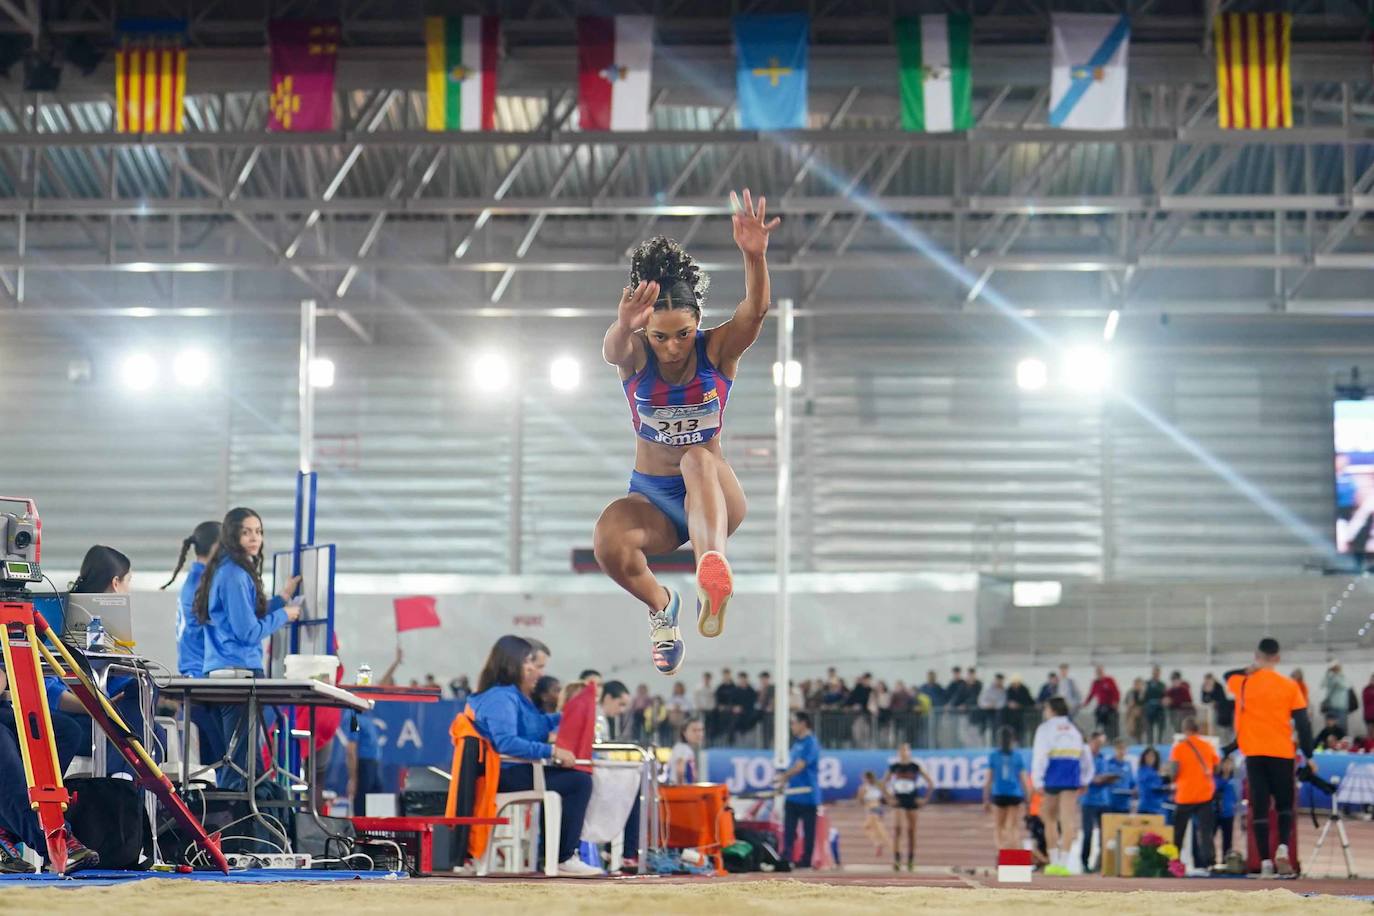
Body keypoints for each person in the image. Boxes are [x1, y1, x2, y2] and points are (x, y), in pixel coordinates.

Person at [593, 190, 781, 675]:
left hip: (715, 493)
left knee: (696, 456)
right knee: (607, 540)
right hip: (654, 500)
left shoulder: (716, 351)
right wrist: (622, 325)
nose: (672, 348)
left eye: (681, 334)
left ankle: (711, 572)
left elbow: (754, 313)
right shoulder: (634, 354)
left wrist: (754, 257)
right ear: (645, 332)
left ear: (697, 321)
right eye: (659, 336)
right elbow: (612, 351)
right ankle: (663, 608)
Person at [467, 635, 600, 877]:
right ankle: (564, 856)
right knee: (579, 781)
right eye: (531, 663)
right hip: (506, 774)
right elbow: (506, 742)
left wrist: (573, 711)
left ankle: (560, 854)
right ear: (512, 663)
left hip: (517, 770)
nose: (536, 671)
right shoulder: (501, 697)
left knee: (574, 779)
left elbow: (537, 726)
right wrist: (551, 750)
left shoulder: (513, 695)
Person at [192, 507, 302, 790]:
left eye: (259, 531)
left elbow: (244, 616)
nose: (255, 538)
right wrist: (284, 615)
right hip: (238, 675)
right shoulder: (235, 575)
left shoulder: (227, 570)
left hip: (226, 673)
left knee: (243, 763)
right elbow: (247, 631)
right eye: (246, 532)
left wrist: (280, 599)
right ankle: (236, 831)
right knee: (241, 768)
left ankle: (238, 828)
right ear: (233, 535)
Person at [1223, 638, 1317, 877]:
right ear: (1278, 658)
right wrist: (1309, 754)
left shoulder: (1243, 682)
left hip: (1254, 753)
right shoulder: (1290, 686)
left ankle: (1265, 861)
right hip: (1282, 752)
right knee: (1285, 805)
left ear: (1257, 655)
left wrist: (1248, 670)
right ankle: (1283, 847)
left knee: (1260, 807)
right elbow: (1303, 724)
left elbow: (1226, 676)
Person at [162, 521, 226, 766]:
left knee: (212, 762)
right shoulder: (206, 584)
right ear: (219, 547)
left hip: (194, 677)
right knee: (221, 763)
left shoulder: (195, 579)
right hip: (204, 681)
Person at [1031, 696, 1093, 876]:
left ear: (1051, 710)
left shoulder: (1045, 728)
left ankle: (1054, 860)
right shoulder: (1075, 730)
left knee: (1048, 817)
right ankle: (1064, 863)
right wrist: (1085, 779)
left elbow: (1039, 755)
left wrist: (1037, 780)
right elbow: (1087, 757)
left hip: (1053, 773)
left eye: (1046, 709)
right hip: (1072, 774)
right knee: (1068, 820)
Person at [1169, 716, 1218, 874]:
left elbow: (1174, 772)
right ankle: (1209, 863)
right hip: (1205, 795)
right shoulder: (1208, 746)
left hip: (1185, 795)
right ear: (1198, 730)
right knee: (1205, 832)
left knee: (1178, 832)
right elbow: (1216, 768)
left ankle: (1173, 863)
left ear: (1185, 730)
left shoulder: (1179, 747)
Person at [776, 711, 821, 869]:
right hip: (793, 794)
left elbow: (801, 765)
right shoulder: (796, 743)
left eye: (794, 723)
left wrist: (784, 777)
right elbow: (792, 765)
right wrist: (784, 782)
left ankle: (806, 861)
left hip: (807, 794)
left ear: (803, 723)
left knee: (809, 833)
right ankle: (786, 857)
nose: (792, 726)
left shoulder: (811, 743)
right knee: (788, 830)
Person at [983, 726, 1029, 859]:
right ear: (1012, 740)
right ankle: (1015, 859)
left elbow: (988, 780)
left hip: (999, 794)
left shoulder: (993, 756)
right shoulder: (1017, 756)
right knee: (1013, 827)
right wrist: (1028, 799)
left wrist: (985, 799)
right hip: (1015, 794)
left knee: (998, 827)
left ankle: (1002, 852)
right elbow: (1024, 780)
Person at [886, 742, 925, 871]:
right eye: (901, 750)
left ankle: (911, 860)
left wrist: (924, 799)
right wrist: (889, 798)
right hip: (898, 801)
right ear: (899, 753)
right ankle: (897, 859)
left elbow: (930, 782)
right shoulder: (894, 767)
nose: (904, 752)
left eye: (906, 750)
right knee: (897, 829)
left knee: (911, 832)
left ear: (909, 752)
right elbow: (883, 782)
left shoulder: (915, 767)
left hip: (912, 800)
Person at [1077, 731, 1111, 873]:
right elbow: (1081, 776)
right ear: (1090, 742)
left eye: (1100, 744)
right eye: (1096, 743)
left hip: (1103, 800)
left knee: (1104, 835)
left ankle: (1101, 863)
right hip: (1088, 800)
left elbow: (1103, 776)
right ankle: (1084, 863)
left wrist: (1106, 778)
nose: (1098, 746)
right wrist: (1094, 779)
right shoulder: (1083, 758)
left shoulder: (1103, 758)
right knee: (1088, 833)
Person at [856, 771, 890, 857]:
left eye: (863, 778)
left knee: (878, 829)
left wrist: (864, 802)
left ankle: (889, 846)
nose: (862, 779)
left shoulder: (863, 788)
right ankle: (879, 844)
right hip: (878, 808)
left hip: (872, 809)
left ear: (866, 778)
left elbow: (860, 800)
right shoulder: (877, 786)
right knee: (870, 828)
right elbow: (886, 795)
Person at [1213, 756, 1239, 866]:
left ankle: (1226, 861)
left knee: (1228, 839)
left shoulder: (1234, 781)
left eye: (1229, 764)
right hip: (1214, 812)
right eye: (1225, 764)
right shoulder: (1215, 779)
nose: (1227, 767)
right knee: (1211, 837)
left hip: (1228, 813)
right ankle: (1211, 860)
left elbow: (1237, 797)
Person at [1086, 665, 1120, 739]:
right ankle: (1100, 730)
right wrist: (1086, 703)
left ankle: (1108, 733)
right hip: (1101, 704)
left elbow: (1116, 692)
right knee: (1098, 712)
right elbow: (1091, 694)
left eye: (1100, 671)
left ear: (1103, 672)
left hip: (1110, 704)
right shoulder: (1095, 683)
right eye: (1098, 672)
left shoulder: (1109, 680)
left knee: (1105, 713)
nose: (1099, 673)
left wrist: (1116, 702)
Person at [668, 717, 703, 785]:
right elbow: (680, 770)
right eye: (694, 730)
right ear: (684, 732)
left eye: (700, 730)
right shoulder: (682, 748)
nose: (698, 734)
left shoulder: (686, 748)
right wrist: (682, 790)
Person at [1135, 747, 1167, 816]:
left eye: (1152, 756)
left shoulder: (1156, 772)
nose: (1150, 758)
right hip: (1146, 807)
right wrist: (1164, 788)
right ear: (1144, 757)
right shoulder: (1142, 771)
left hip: (1157, 807)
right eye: (1148, 756)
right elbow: (1151, 787)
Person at [1321, 662, 1351, 732]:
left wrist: (1337, 674)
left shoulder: (1343, 677)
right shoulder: (1330, 677)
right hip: (1331, 706)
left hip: (1342, 707)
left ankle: (1342, 742)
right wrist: (1327, 673)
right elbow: (1322, 685)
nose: (1335, 670)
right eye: (1334, 668)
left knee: (1342, 727)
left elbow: (1345, 686)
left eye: (1336, 668)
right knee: (1330, 728)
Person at [1144, 666, 1167, 745]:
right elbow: (1144, 696)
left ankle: (1160, 743)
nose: (1156, 674)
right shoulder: (1146, 684)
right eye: (1154, 673)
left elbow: (1165, 696)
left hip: (1159, 710)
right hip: (1149, 710)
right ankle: (1149, 744)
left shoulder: (1162, 685)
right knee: (1149, 730)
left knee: (1160, 729)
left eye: (1157, 673)